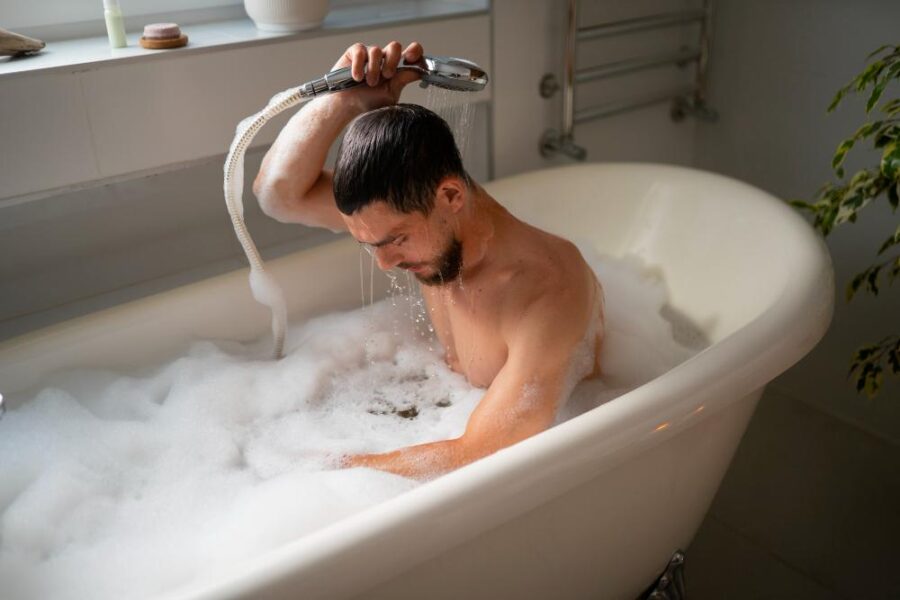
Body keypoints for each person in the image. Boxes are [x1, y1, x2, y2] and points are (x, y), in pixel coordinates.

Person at [254, 41, 604, 479]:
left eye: (394, 240)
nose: (383, 264)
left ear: (451, 196)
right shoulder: (418, 231)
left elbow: (482, 455)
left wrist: (333, 471)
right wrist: (343, 101)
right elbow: (277, 196)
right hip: (451, 402)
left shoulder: (546, 291)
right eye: (370, 245)